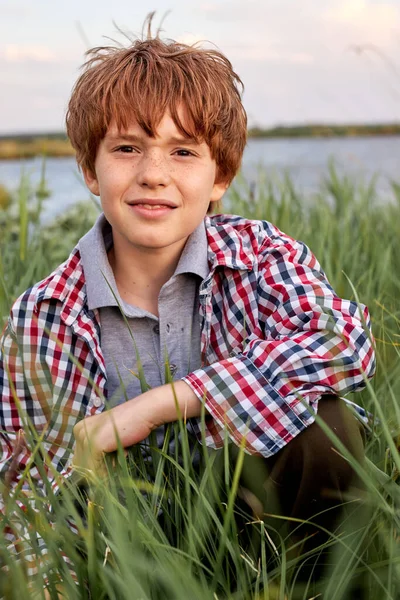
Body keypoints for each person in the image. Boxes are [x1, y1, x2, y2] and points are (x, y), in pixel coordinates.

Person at [0, 17, 375, 593]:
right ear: (88, 170)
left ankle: (297, 587)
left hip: (249, 512)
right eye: (126, 148)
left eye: (183, 152)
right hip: (120, 535)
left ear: (219, 175)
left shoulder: (259, 255)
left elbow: (341, 341)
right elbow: (26, 484)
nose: (154, 175)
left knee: (328, 427)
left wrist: (156, 406)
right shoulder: (44, 314)